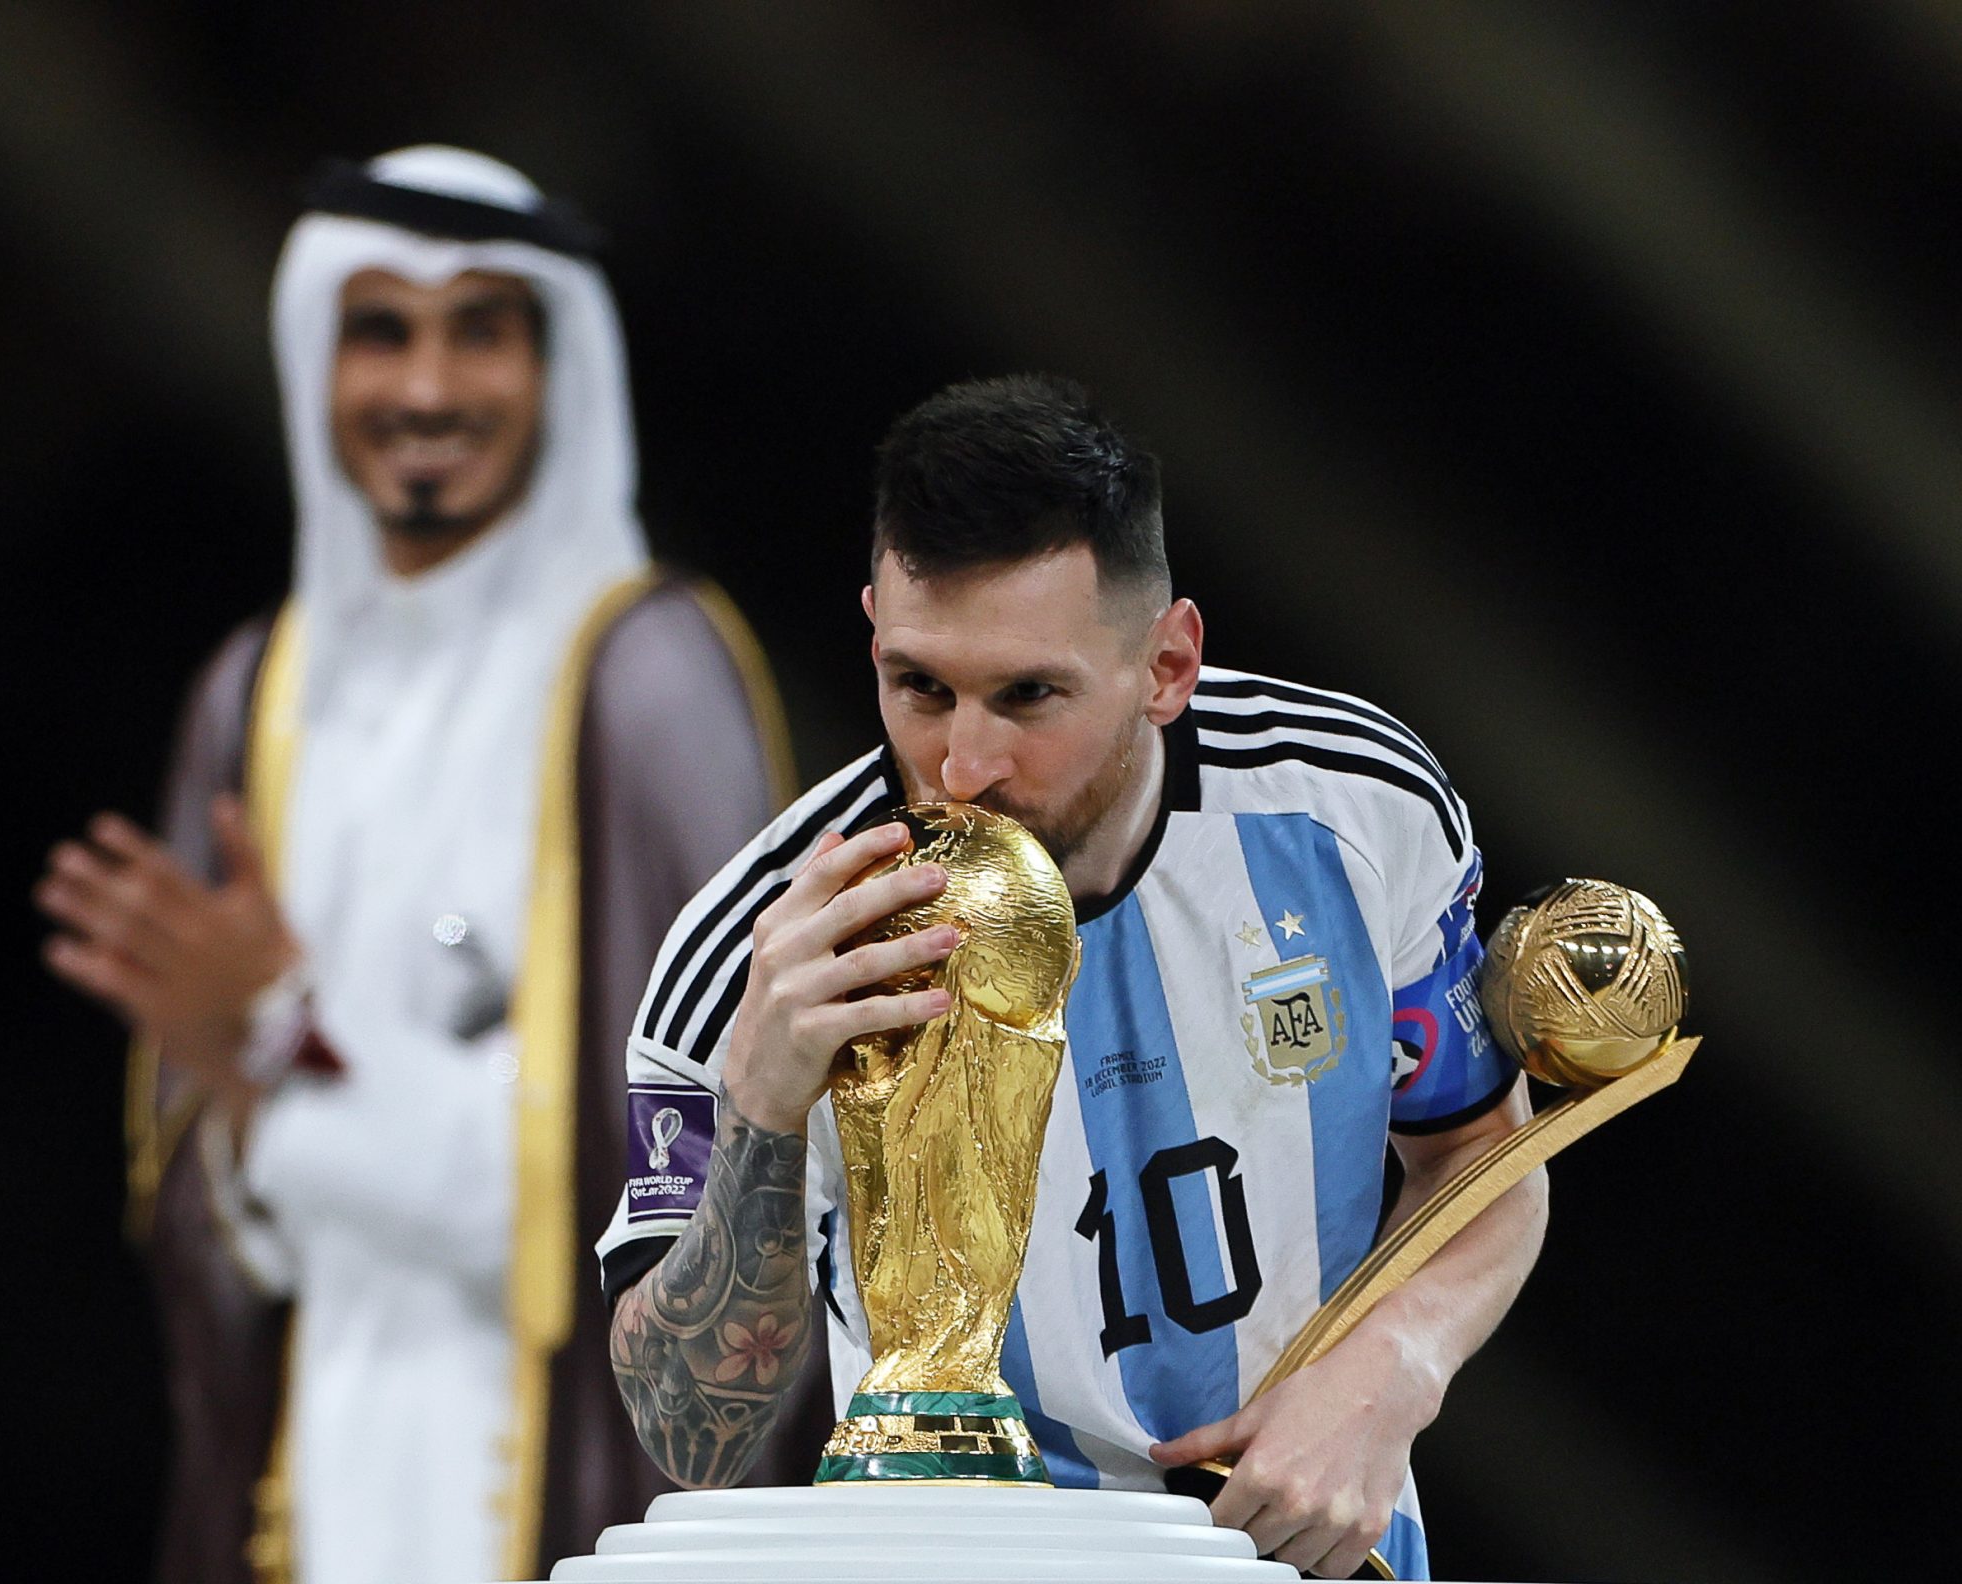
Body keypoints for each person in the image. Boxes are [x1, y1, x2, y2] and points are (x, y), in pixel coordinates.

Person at [596, 373, 1547, 1579]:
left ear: (1167, 664)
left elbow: (1479, 1157)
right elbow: (692, 1430)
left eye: (1027, 696)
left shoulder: (1355, 810)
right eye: (919, 686)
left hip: (1300, 1557)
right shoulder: (753, 952)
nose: (964, 765)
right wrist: (761, 1111)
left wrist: (1392, 1368)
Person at [36, 146, 827, 1584]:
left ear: (555, 362)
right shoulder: (258, 695)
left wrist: (277, 1058)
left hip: (566, 1488)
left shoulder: (647, 681)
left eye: (479, 331)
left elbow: (680, 1181)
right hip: (325, 1473)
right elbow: (209, 1214)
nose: (426, 387)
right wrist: (259, 1092)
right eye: (381, 331)